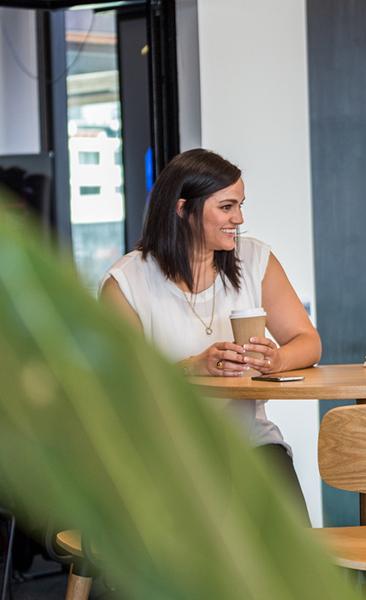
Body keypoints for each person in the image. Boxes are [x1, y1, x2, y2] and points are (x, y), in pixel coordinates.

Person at [99, 149, 321, 519]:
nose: (239, 218)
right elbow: (119, 384)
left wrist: (277, 358)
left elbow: (309, 343)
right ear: (183, 209)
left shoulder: (254, 260)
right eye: (227, 207)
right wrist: (193, 367)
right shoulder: (127, 282)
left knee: (291, 548)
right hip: (164, 450)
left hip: (249, 443)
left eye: (240, 205)